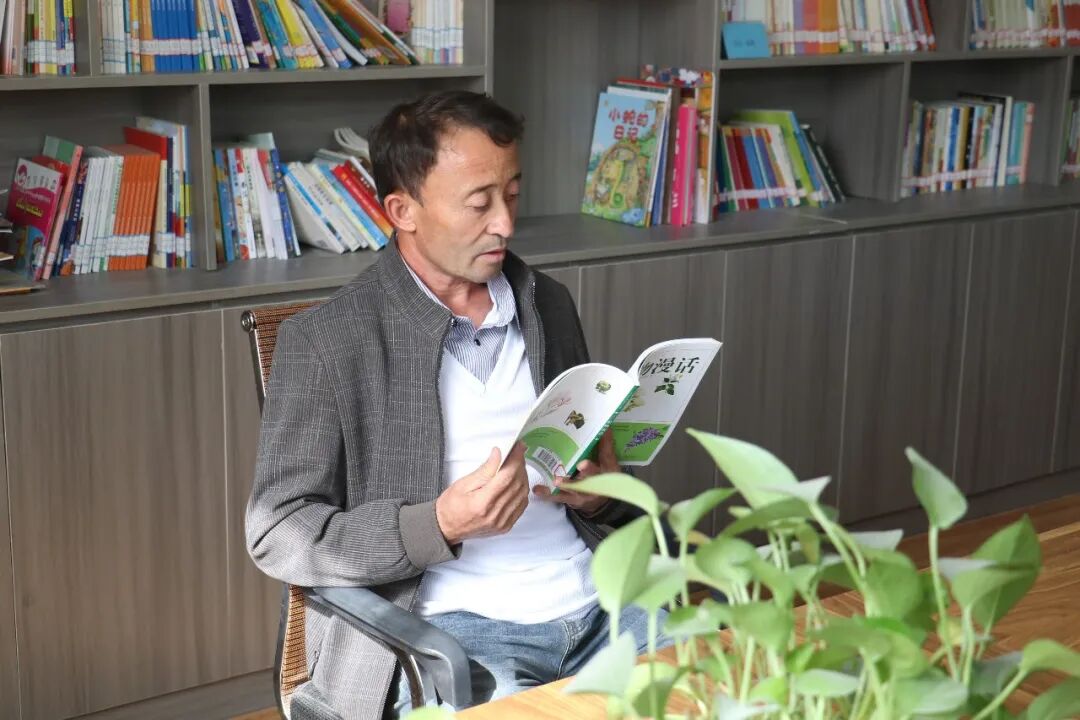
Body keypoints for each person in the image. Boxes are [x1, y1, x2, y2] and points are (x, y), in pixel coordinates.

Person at [246, 90, 666, 720]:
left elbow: (589, 469)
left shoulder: (548, 303)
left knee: (731, 688)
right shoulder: (329, 341)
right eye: (479, 203)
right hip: (457, 633)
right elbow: (278, 532)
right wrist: (438, 524)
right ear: (403, 210)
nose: (505, 224)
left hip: (604, 602)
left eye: (513, 195)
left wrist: (599, 494)